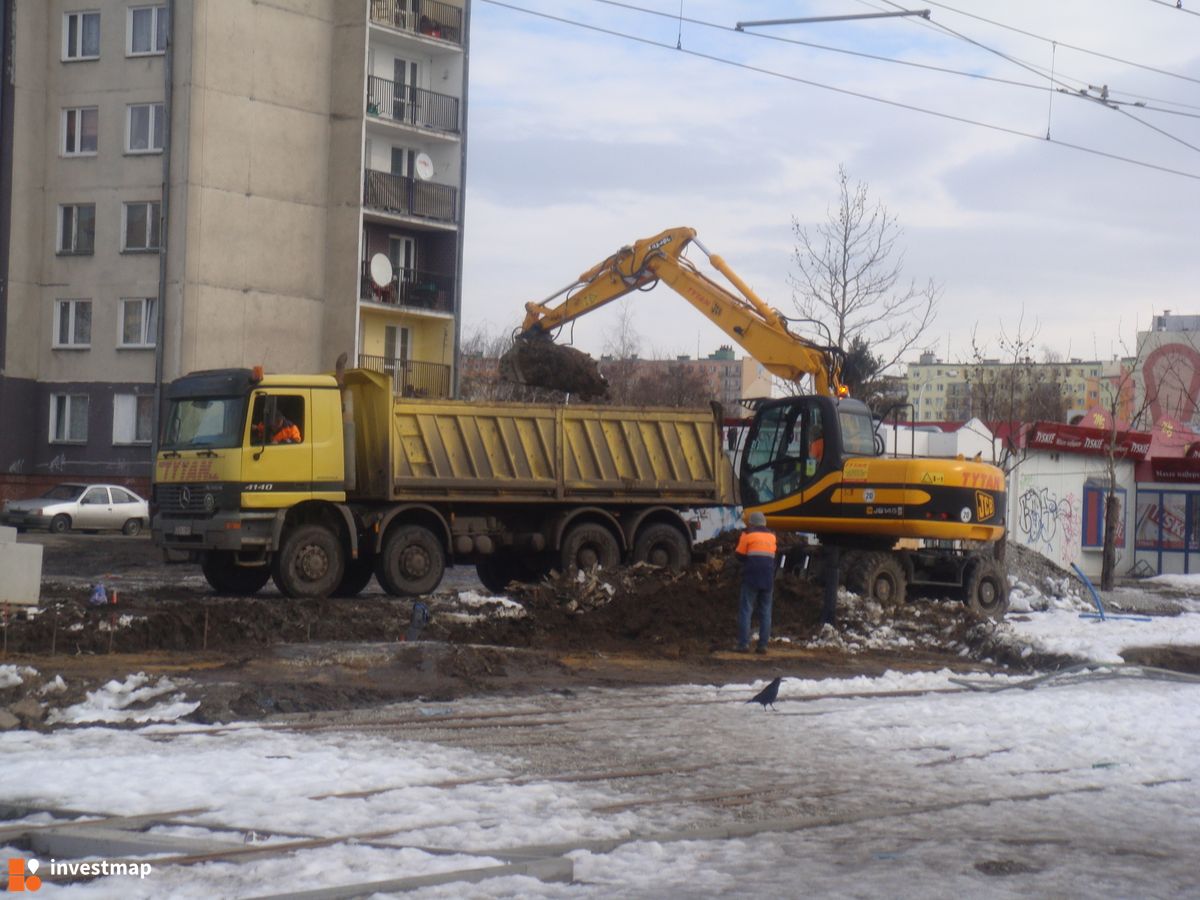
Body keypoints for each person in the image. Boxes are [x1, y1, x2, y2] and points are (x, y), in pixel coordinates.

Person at [735, 510, 778, 654]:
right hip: (768, 579)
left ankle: (743, 644)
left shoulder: (747, 535)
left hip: (751, 578)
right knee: (766, 612)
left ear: (751, 523)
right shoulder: (772, 536)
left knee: (746, 610)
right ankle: (763, 646)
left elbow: (739, 555)